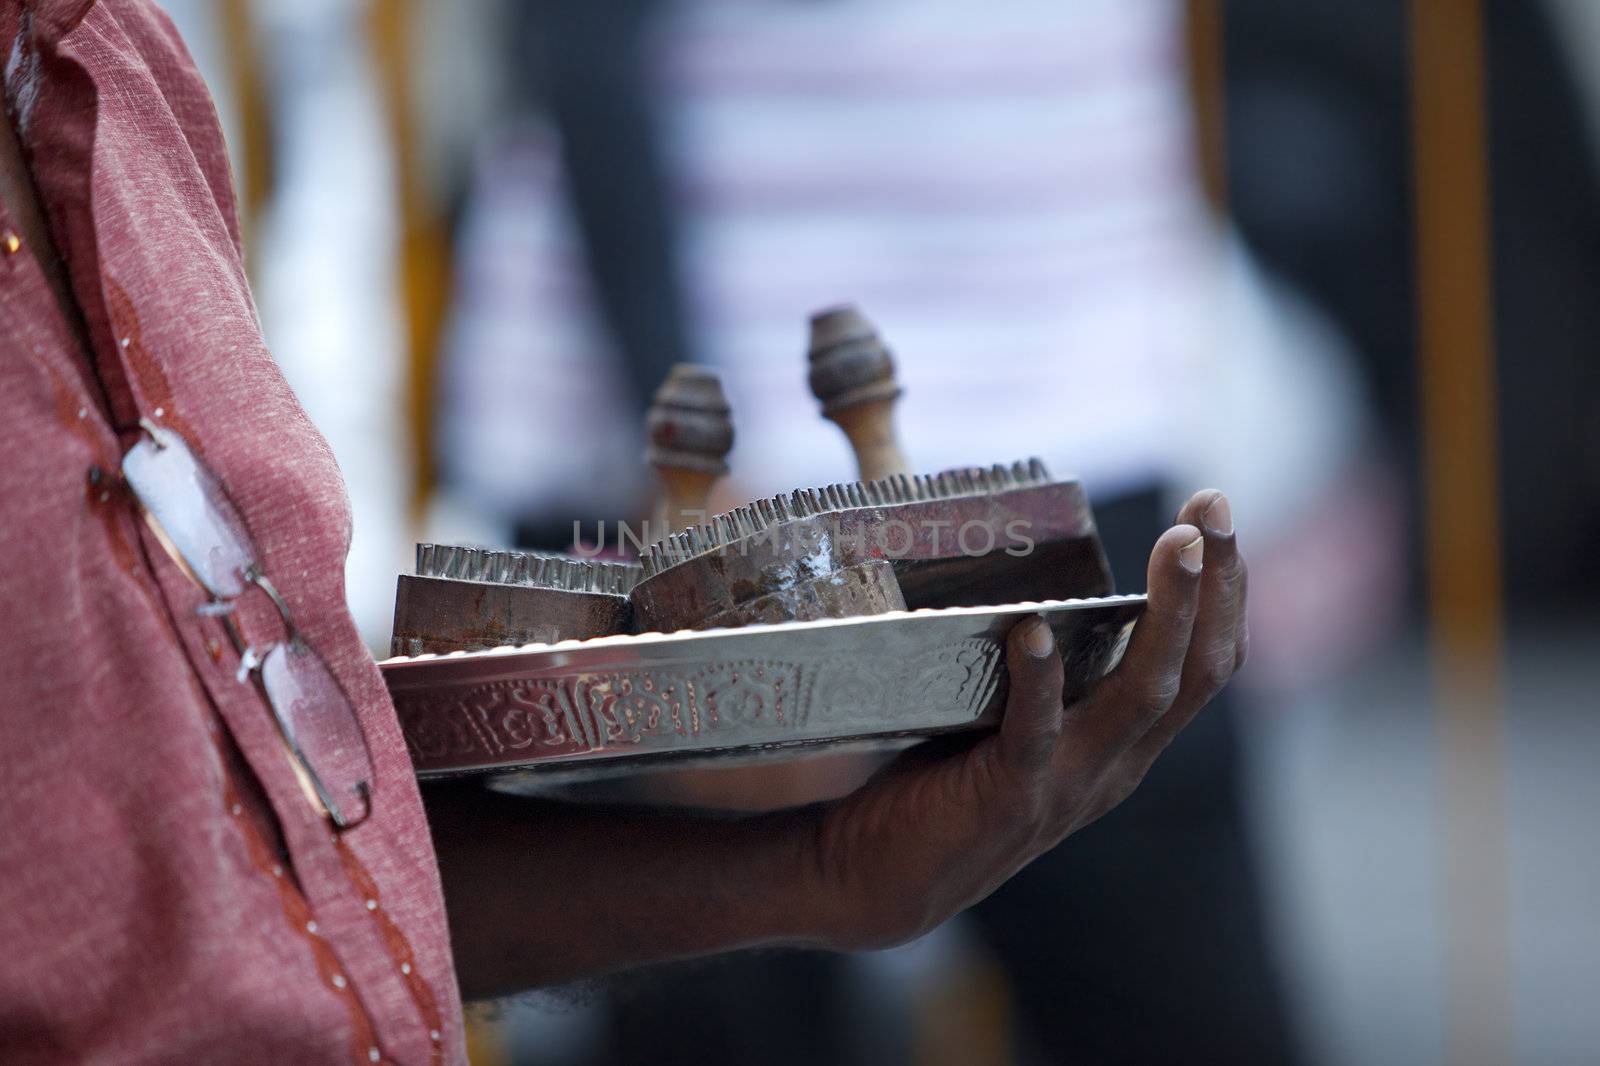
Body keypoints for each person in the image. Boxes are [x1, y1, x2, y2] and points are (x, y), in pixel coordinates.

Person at [0, 2, 1248, 1063]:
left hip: (1076, 389)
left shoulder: (115, 66)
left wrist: (817, 875)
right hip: (700, 460)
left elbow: (282, 852)